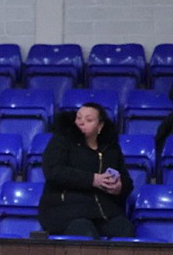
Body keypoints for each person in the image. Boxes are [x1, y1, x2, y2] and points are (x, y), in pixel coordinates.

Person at [39, 102, 135, 238]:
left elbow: (127, 181)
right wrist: (92, 179)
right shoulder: (61, 141)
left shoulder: (111, 148)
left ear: (100, 126)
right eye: (78, 118)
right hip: (68, 212)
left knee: (124, 229)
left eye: (89, 120)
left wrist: (119, 187)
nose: (81, 122)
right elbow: (54, 172)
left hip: (105, 213)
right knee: (84, 232)